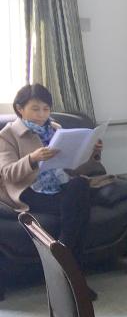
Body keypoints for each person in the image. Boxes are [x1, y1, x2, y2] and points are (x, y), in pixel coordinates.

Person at [0, 83, 94, 262]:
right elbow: (8, 174)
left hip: (60, 185)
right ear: (20, 109)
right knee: (79, 208)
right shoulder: (8, 134)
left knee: (80, 184)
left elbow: (73, 166)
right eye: (35, 109)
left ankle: (63, 252)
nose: (41, 115)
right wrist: (32, 158)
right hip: (30, 190)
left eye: (46, 109)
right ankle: (70, 260)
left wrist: (92, 152)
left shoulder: (57, 129)